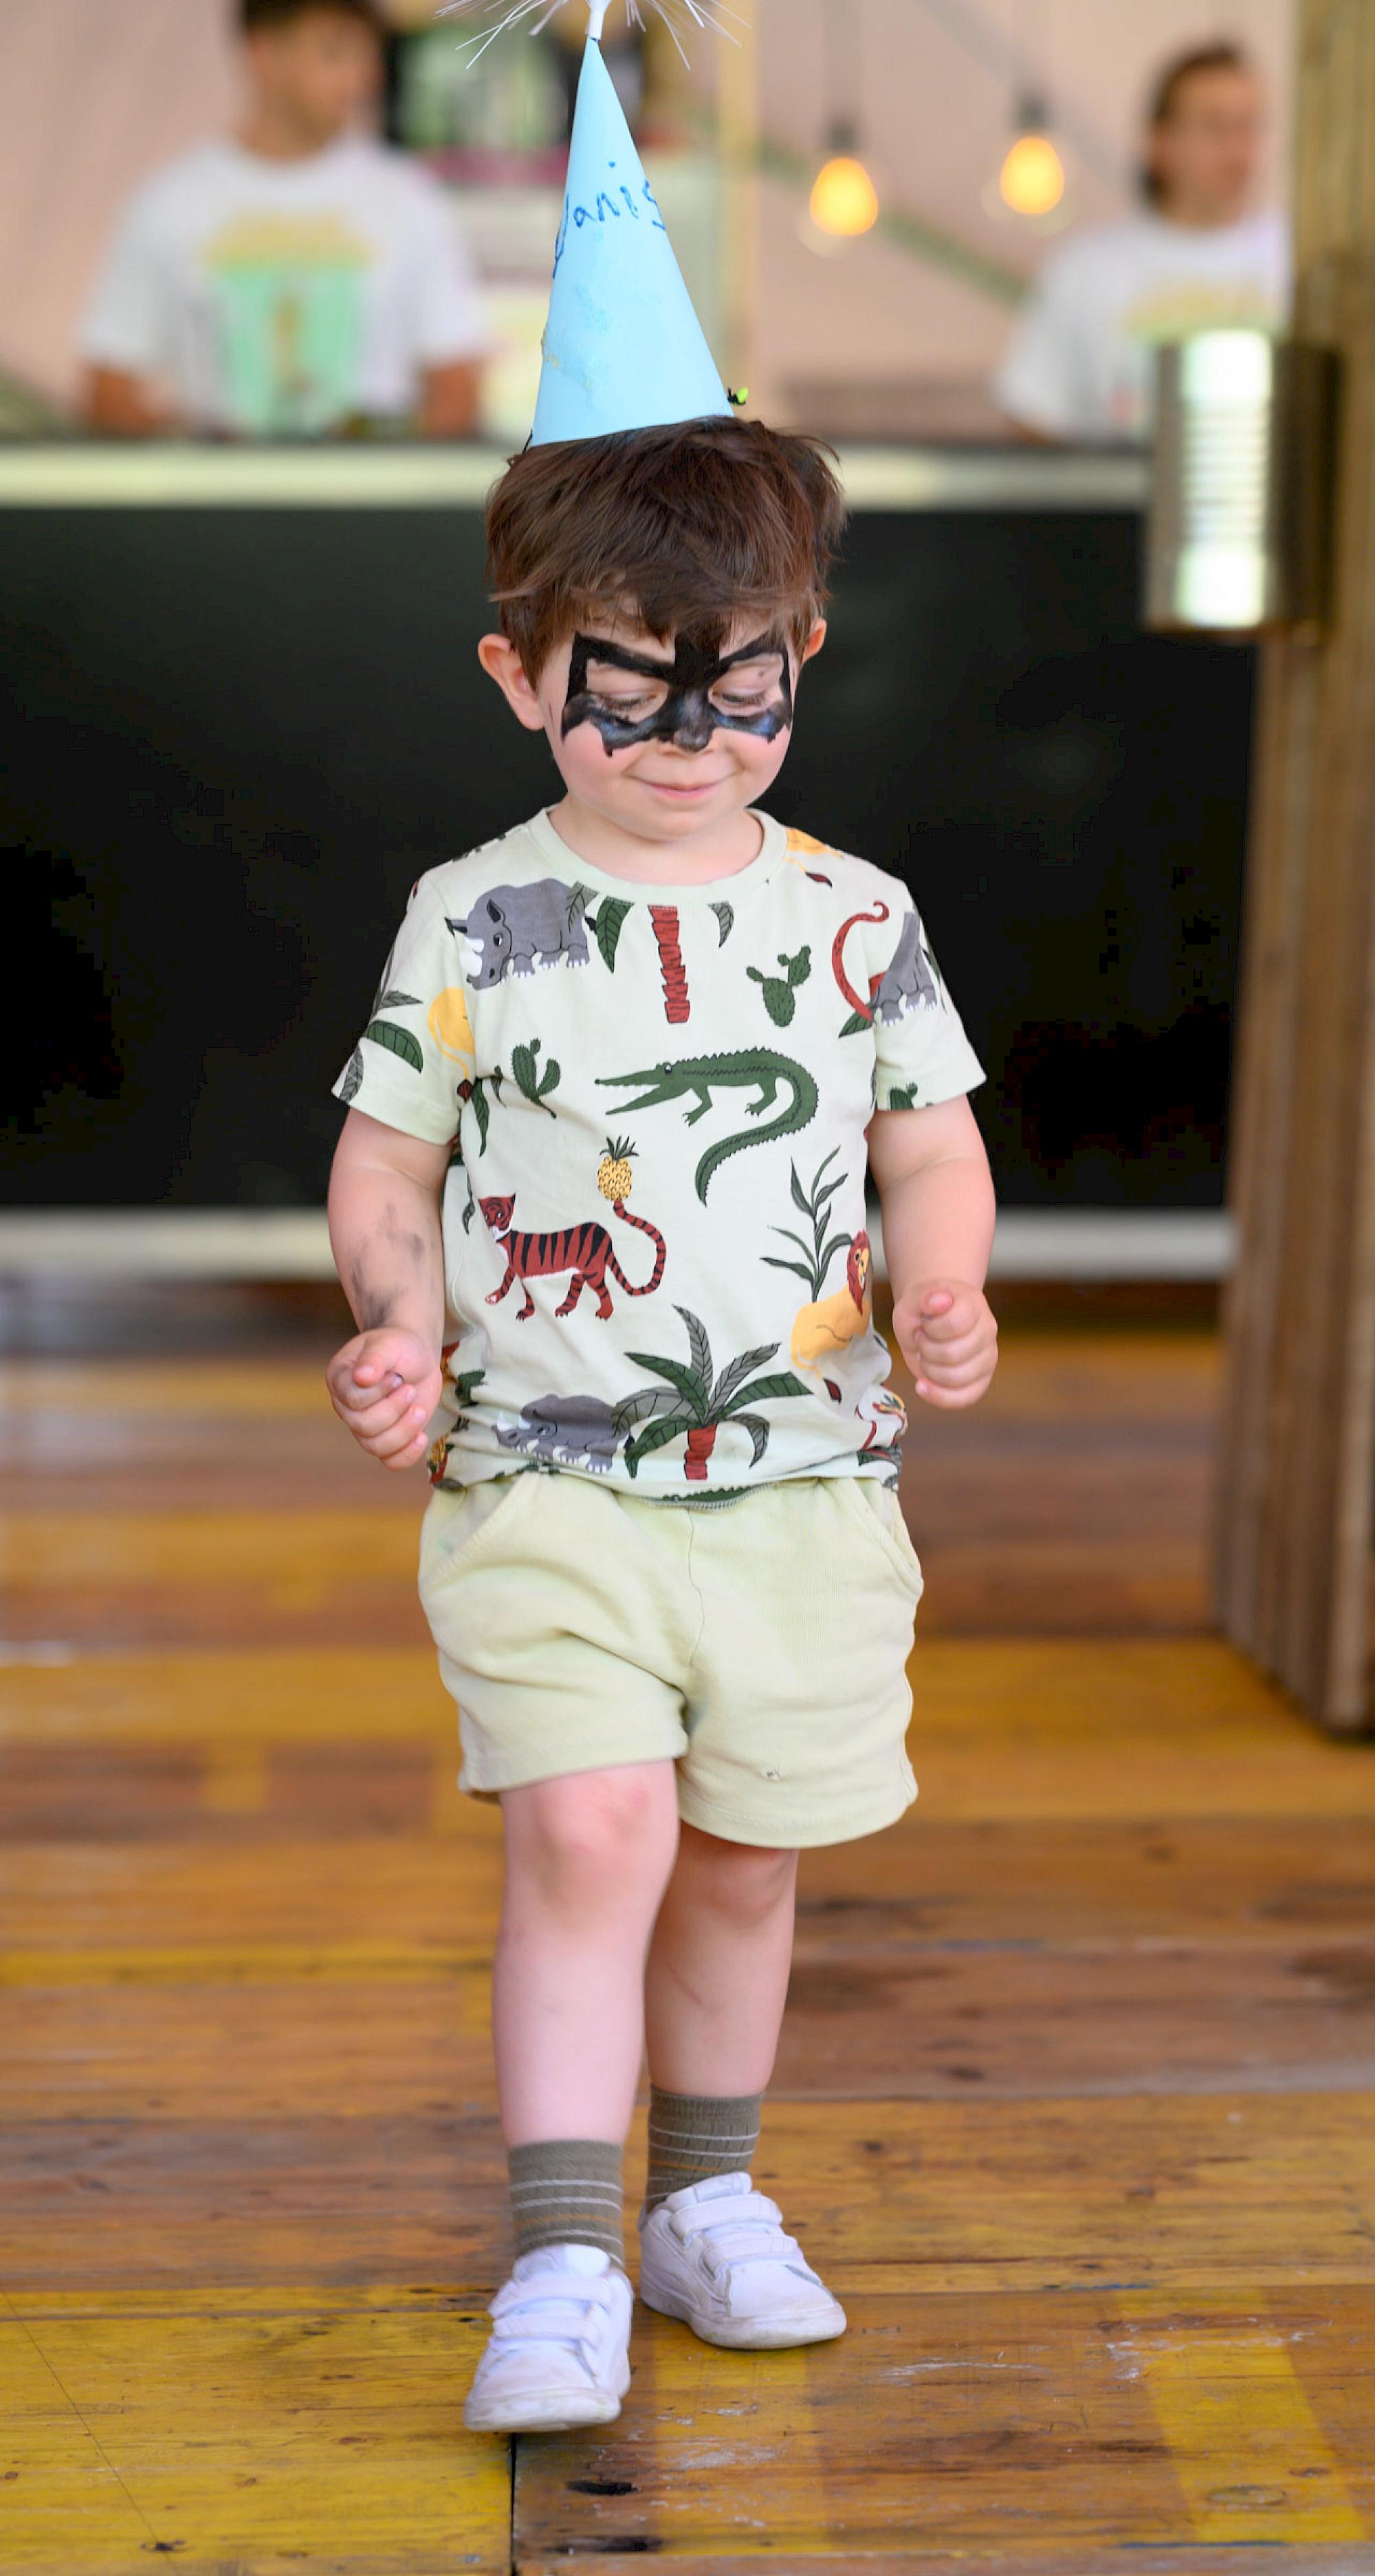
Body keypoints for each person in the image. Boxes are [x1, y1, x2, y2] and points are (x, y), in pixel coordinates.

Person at [323, 22, 998, 2440]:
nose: (692, 728)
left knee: (740, 1859)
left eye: (746, 683)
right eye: (632, 687)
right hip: (552, 1480)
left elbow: (930, 1133)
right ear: (522, 675)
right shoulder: (472, 914)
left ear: (799, 659)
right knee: (593, 1829)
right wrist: (395, 1318)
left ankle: (707, 2193)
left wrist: (949, 1273)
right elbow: (387, 1157)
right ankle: (559, 2247)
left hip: (804, 1482)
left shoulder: (855, 914)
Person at [79, 0, 488, 440]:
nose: (362, 78)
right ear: (265, 56)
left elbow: (457, 385)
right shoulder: (170, 202)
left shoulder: (409, 198)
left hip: (371, 485)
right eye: (334, 52)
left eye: (367, 55)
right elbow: (109, 389)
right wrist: (200, 452)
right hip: (216, 486)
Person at [993, 41, 1290, 444]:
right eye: (1215, 127)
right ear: (1159, 141)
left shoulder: (1298, 260)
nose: (1238, 151)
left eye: (1248, 126)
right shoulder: (1086, 269)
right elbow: (1032, 418)